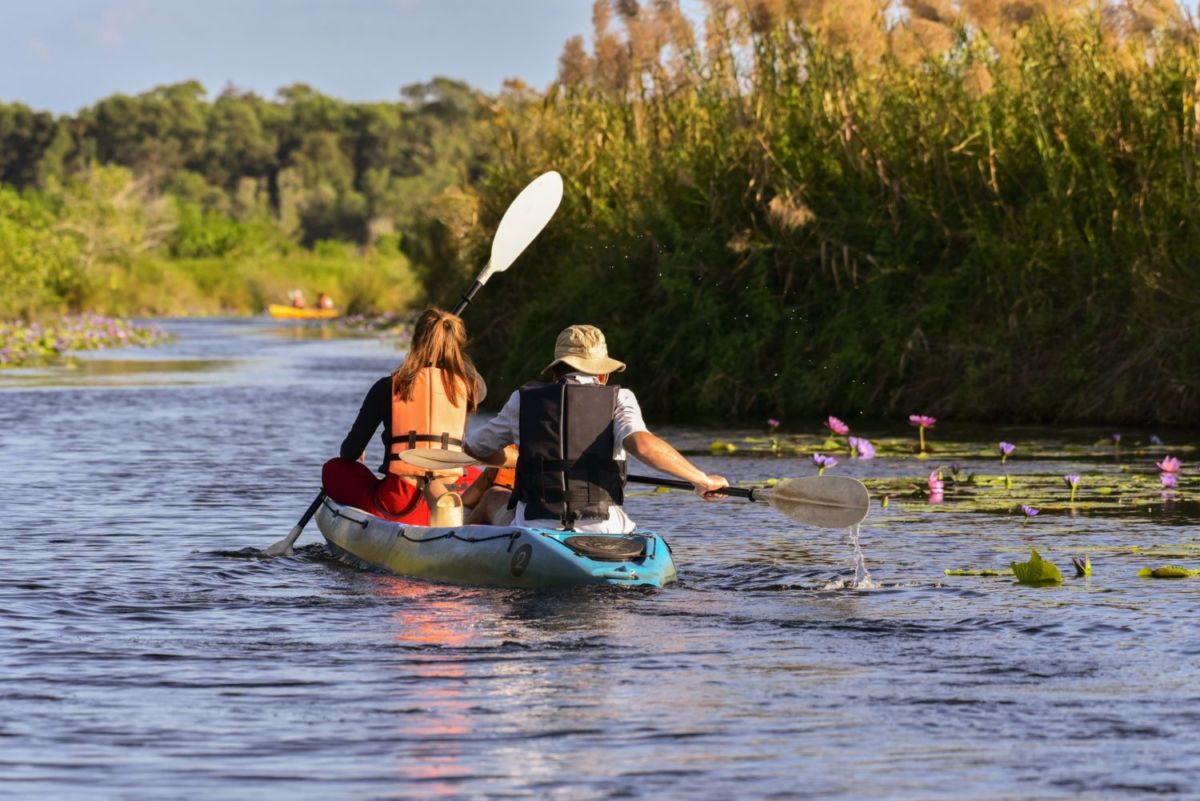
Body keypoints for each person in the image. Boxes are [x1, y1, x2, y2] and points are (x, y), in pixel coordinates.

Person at [465, 325, 728, 533]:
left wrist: (516, 460)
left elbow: (475, 448)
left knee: (491, 498)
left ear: (556, 371)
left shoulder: (522, 399)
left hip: (536, 528)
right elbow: (644, 446)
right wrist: (702, 480)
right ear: (603, 374)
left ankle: (450, 546)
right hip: (606, 529)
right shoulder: (620, 398)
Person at [322, 308, 481, 525]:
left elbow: (348, 453)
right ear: (456, 344)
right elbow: (474, 380)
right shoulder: (468, 389)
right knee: (474, 473)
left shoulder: (386, 387)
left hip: (398, 503)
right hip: (453, 496)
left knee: (333, 468)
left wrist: (360, 446)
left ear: (415, 341)